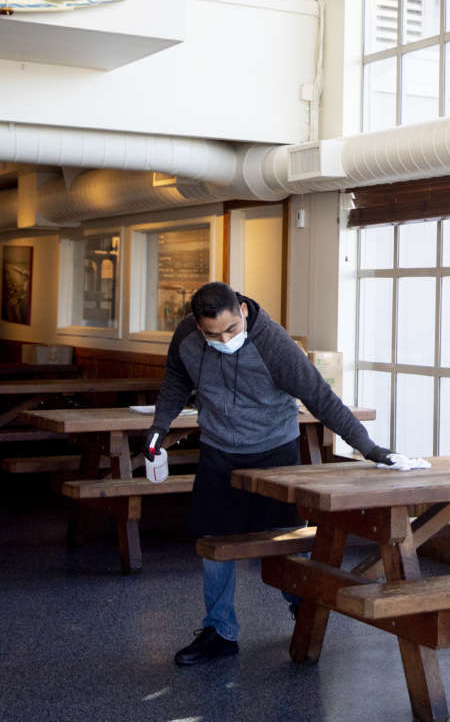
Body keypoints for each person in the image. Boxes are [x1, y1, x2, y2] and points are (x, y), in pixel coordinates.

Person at [147, 281, 398, 666]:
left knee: (288, 539)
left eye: (231, 329)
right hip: (218, 450)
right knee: (215, 541)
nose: (224, 339)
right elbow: (175, 382)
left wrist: (370, 448)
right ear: (198, 327)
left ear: (243, 311)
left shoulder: (275, 345)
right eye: (213, 334)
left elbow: (321, 398)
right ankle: (220, 631)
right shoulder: (187, 336)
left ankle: (304, 610)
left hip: (274, 451)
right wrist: (158, 432)